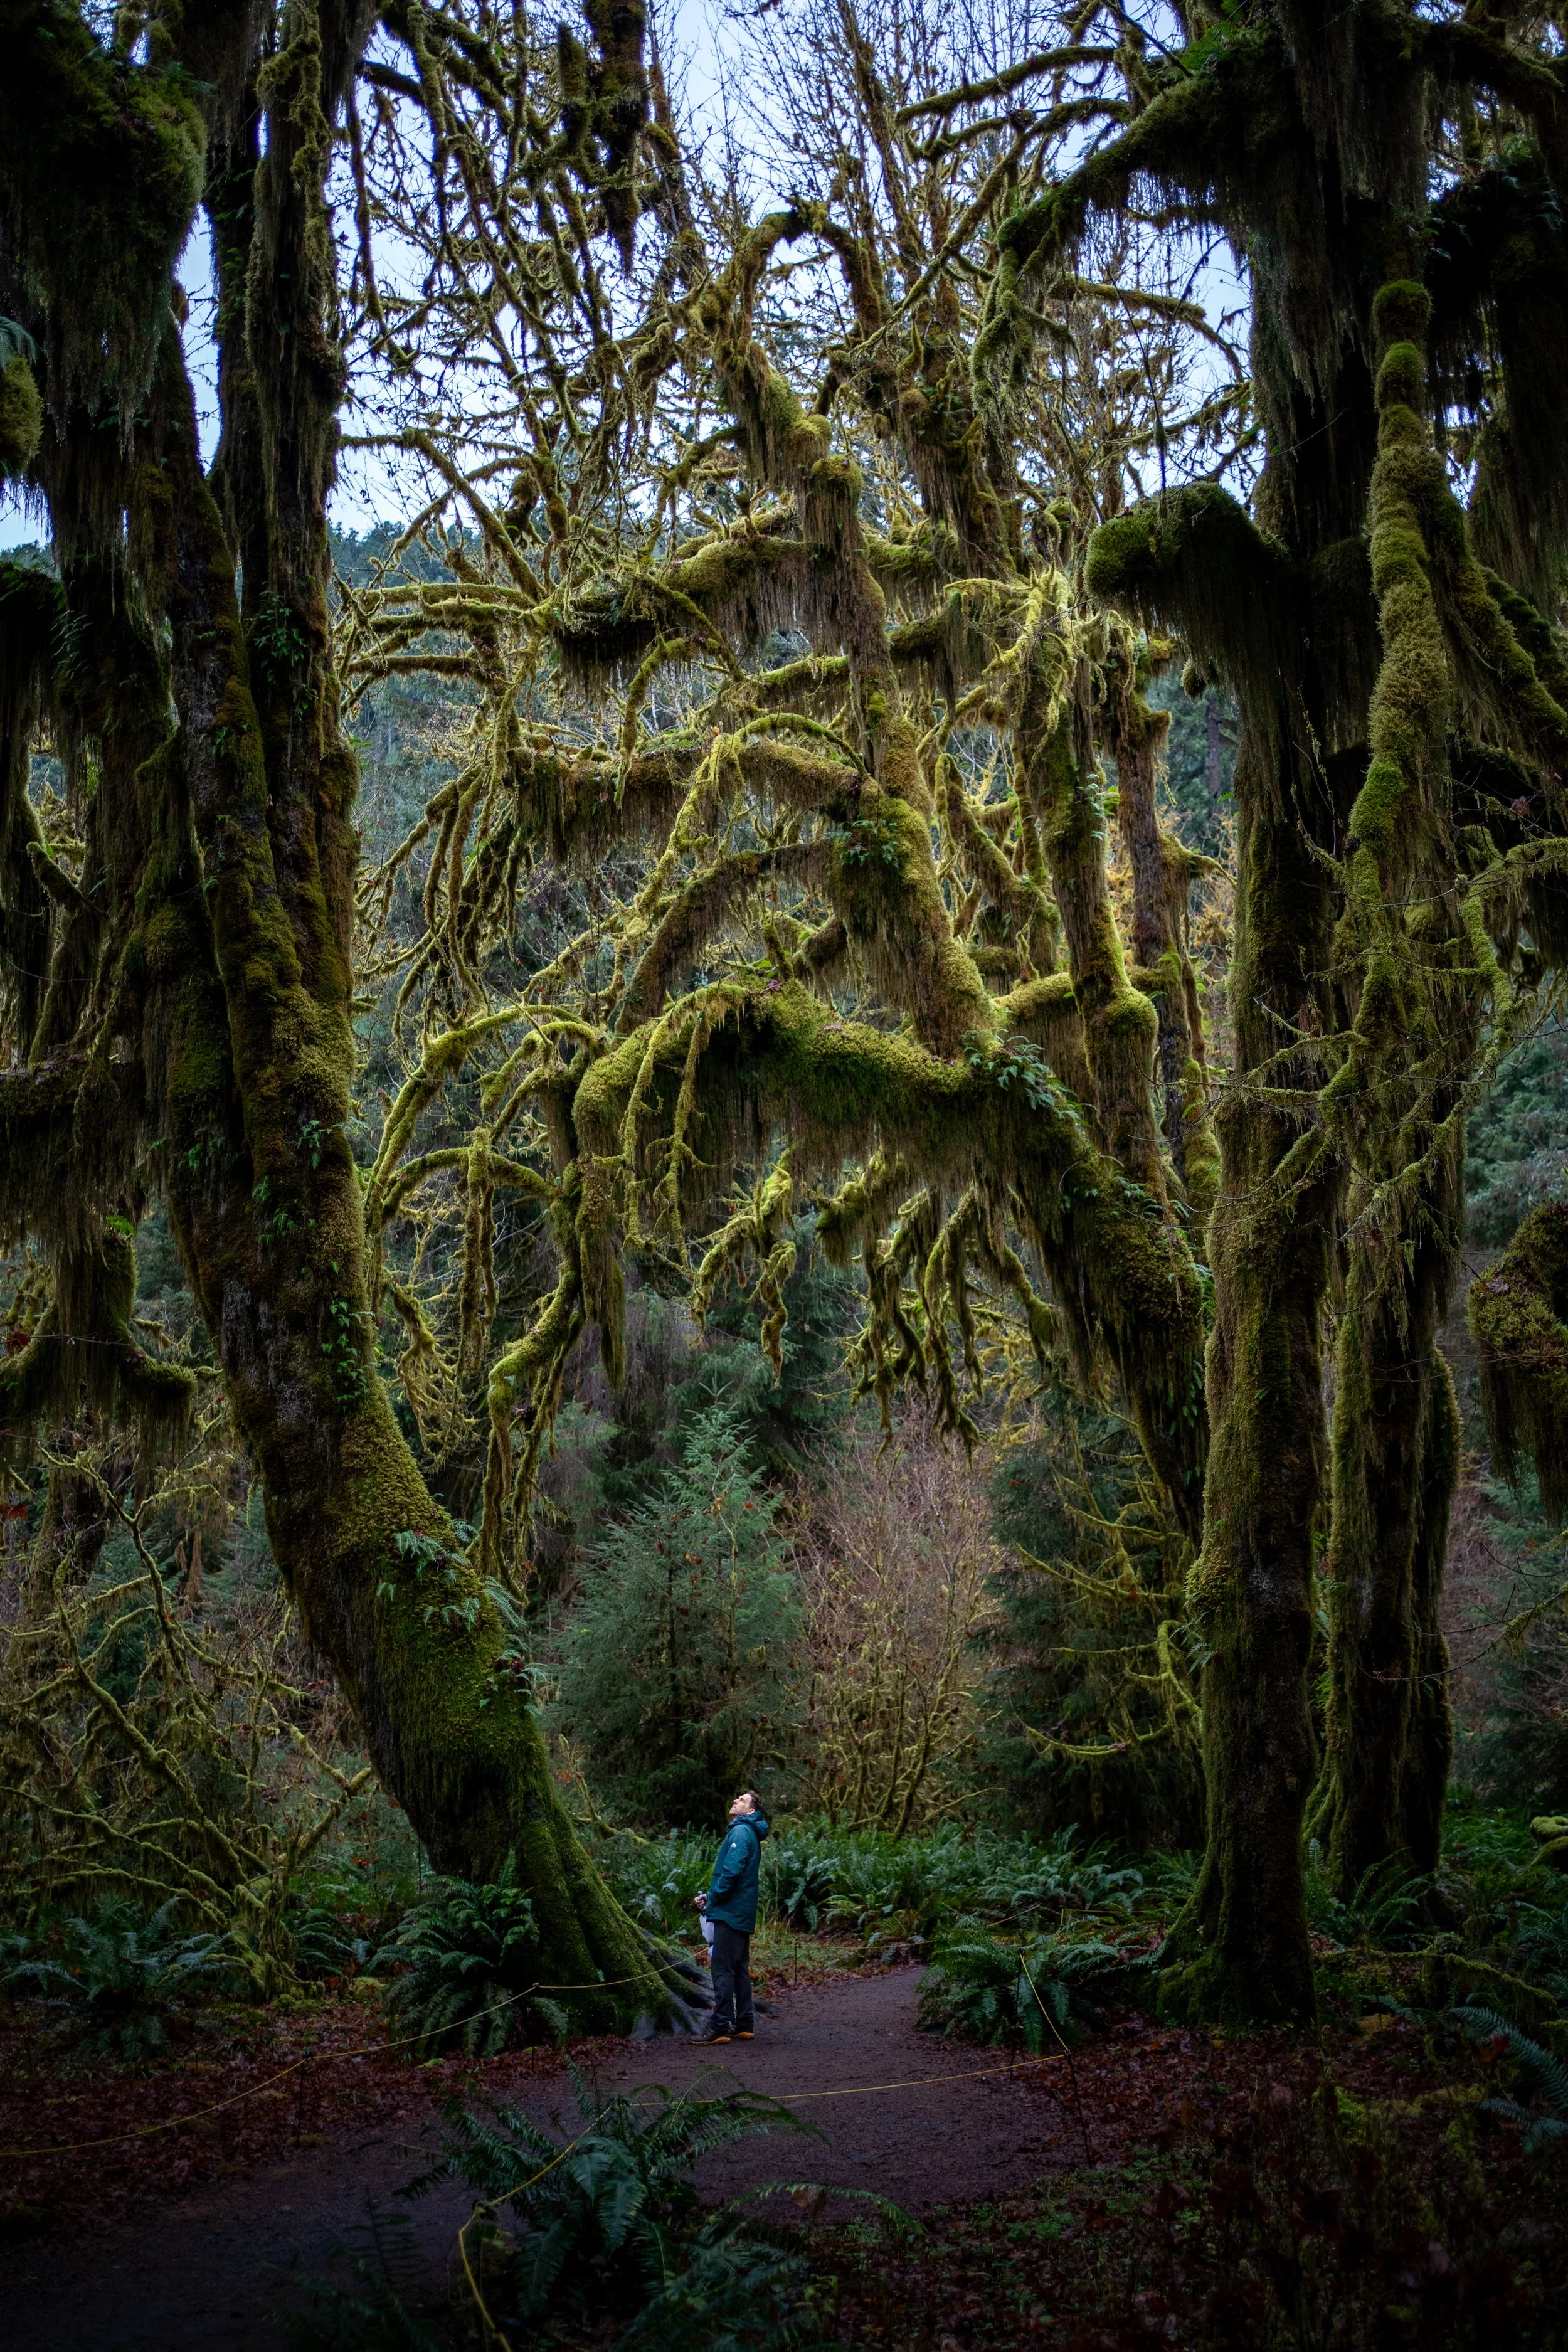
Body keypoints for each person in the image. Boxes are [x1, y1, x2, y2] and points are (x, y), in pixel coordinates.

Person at [694, 1789, 768, 2043]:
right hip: (739, 1911)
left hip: (731, 1913)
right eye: (736, 1797)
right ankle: (744, 2023)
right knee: (738, 1969)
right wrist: (710, 1897)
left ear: (750, 1811)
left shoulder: (740, 1831)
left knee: (723, 1969)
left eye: (743, 1800)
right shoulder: (748, 1833)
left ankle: (720, 2026)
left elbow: (732, 1872)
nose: (735, 1800)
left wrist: (714, 1897)